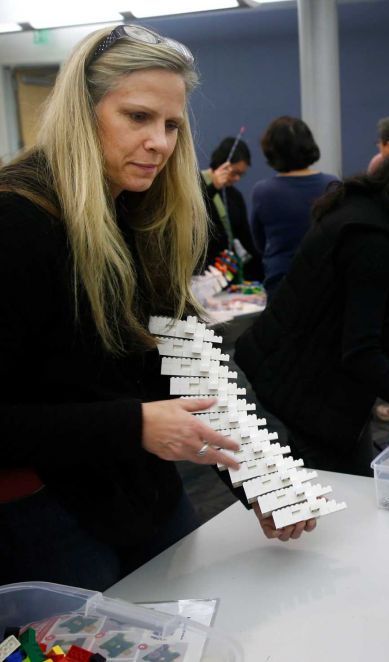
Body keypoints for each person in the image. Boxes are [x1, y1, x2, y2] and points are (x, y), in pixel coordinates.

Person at [0, 25, 277, 592]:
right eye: (137, 117)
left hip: (144, 495)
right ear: (83, 109)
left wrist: (261, 479)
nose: (161, 143)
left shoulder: (142, 211)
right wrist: (133, 424)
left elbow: (192, 357)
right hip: (49, 514)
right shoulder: (16, 222)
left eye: (172, 124)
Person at [235, 150, 389, 476]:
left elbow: (347, 302)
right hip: (300, 391)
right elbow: (361, 353)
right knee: (331, 497)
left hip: (315, 385)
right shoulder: (373, 240)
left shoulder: (373, 213)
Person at [250, 116, 338, 297]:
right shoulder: (333, 185)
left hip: (282, 285)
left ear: (272, 151)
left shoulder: (263, 192)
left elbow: (259, 243)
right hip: (327, 282)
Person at [201, 136, 263, 281]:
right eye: (234, 172)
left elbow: (246, 239)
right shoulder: (195, 184)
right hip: (200, 275)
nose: (237, 179)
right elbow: (192, 218)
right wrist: (213, 188)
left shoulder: (235, 196)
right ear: (222, 164)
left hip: (227, 273)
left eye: (241, 174)